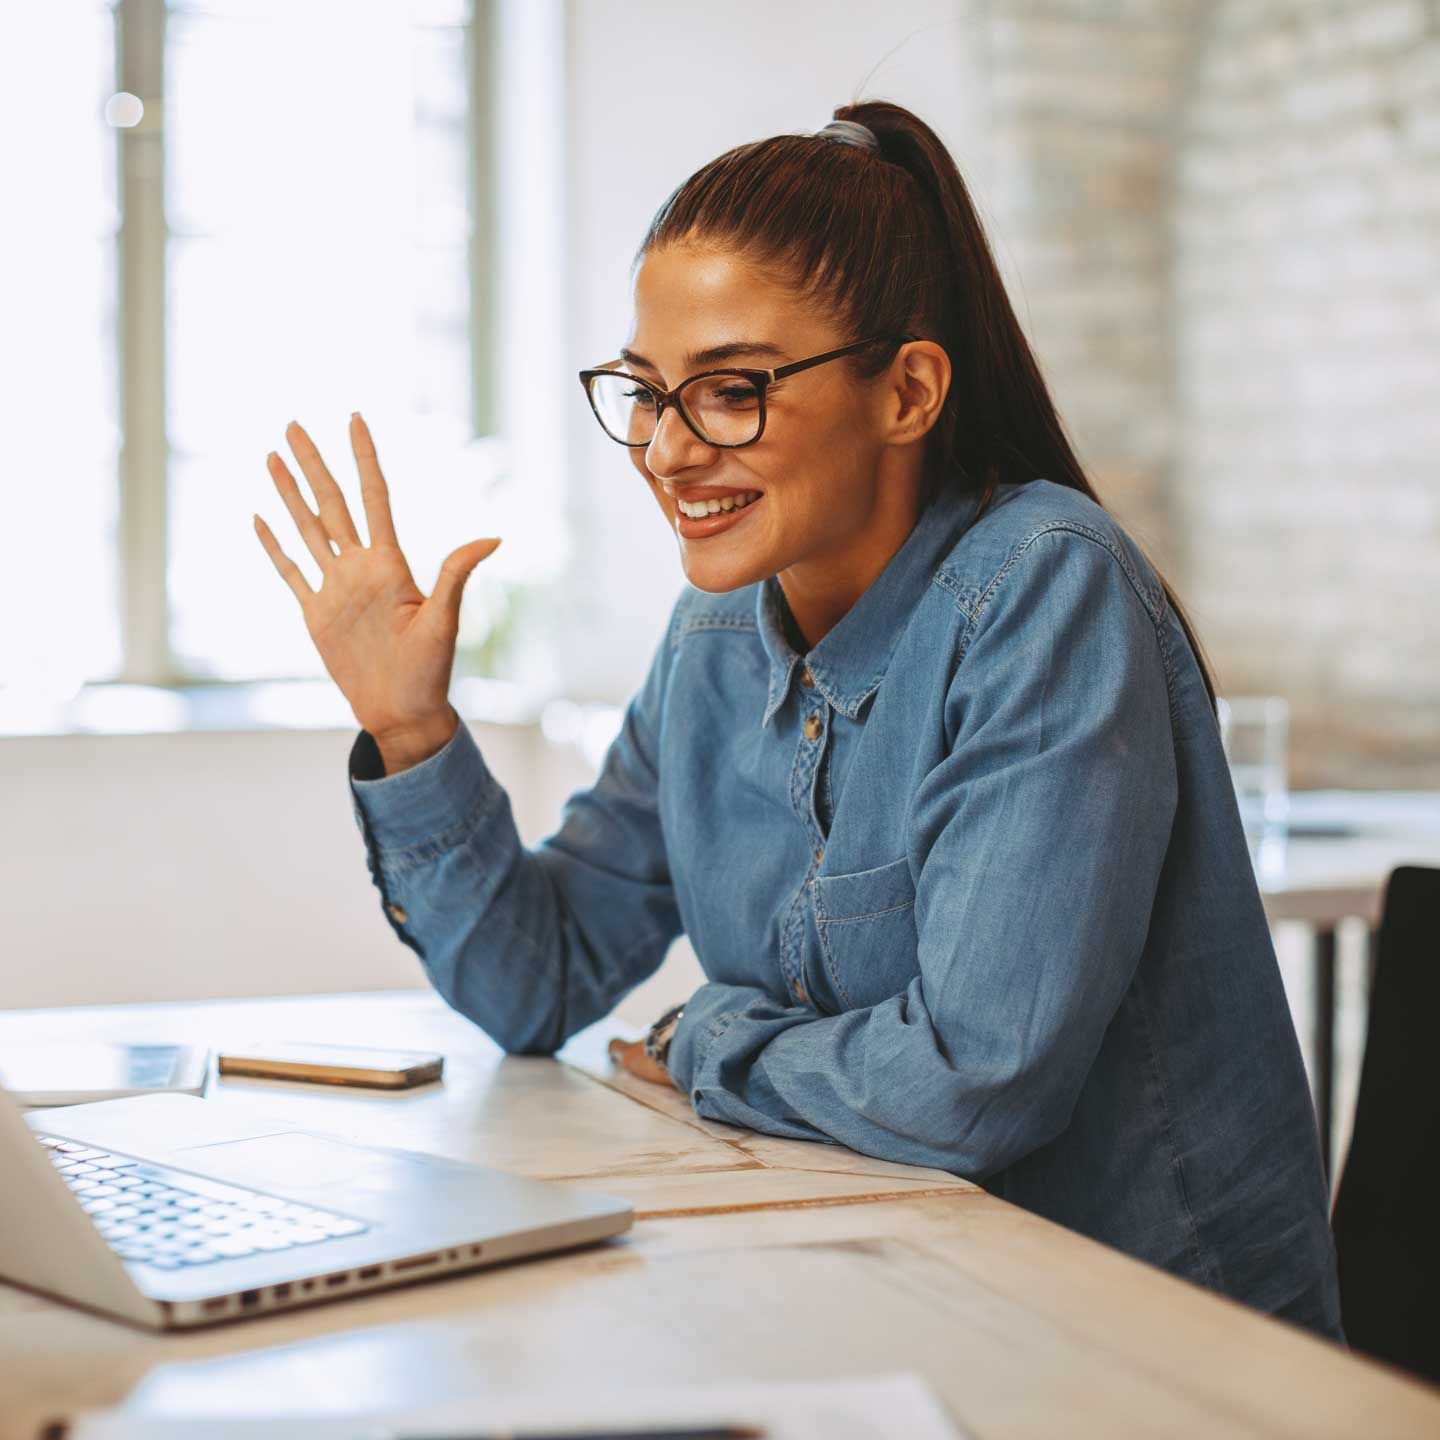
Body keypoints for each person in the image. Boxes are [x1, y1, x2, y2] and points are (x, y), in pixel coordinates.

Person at [253, 101, 1343, 1342]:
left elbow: (975, 1085)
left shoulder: (1045, 585)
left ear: (909, 391)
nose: (666, 450)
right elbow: (535, 980)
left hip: (1141, 1347)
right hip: (879, 1294)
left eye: (729, 391)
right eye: (647, 394)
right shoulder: (715, 639)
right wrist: (410, 732)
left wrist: (715, 1032)